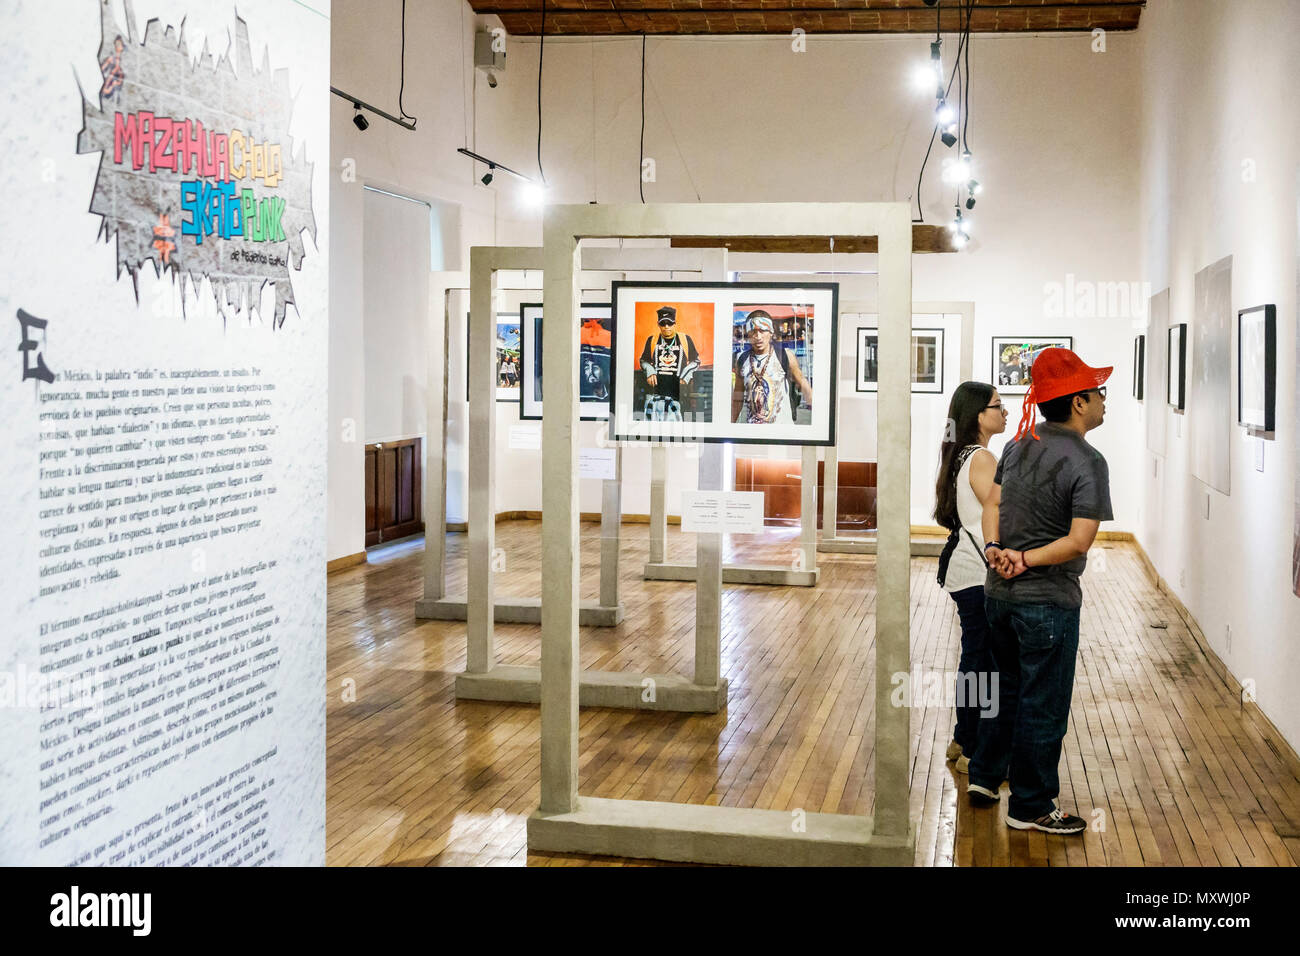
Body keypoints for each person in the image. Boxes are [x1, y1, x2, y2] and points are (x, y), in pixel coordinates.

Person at [968, 347, 1113, 836]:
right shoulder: (1089, 460)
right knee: (1042, 704)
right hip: (1046, 604)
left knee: (1003, 690)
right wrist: (1026, 558)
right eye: (1098, 393)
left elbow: (993, 502)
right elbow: (1078, 541)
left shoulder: (1017, 444)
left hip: (999, 594)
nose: (1103, 401)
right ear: (1078, 403)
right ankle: (1030, 805)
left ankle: (986, 778)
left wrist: (996, 549)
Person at [933, 381, 1009, 774]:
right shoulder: (981, 459)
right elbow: (1002, 512)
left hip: (966, 570)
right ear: (979, 414)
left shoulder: (962, 453)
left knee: (976, 658)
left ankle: (964, 738)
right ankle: (973, 751)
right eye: (998, 405)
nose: (1005, 412)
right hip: (977, 574)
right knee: (982, 662)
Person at [731, 310, 812, 424]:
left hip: (782, 434)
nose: (758, 337)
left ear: (771, 332)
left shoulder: (785, 355)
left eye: (762, 331)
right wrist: (729, 426)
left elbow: (803, 383)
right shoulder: (742, 359)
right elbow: (737, 397)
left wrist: (819, 419)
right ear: (748, 334)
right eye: (753, 331)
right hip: (752, 435)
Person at [638, 305, 700, 421]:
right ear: (658, 324)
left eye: (670, 323)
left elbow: (696, 361)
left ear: (675, 323)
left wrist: (685, 375)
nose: (666, 327)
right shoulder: (652, 340)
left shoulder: (685, 339)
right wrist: (649, 371)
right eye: (663, 323)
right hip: (655, 396)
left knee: (676, 432)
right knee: (653, 432)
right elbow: (643, 360)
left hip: (678, 395)